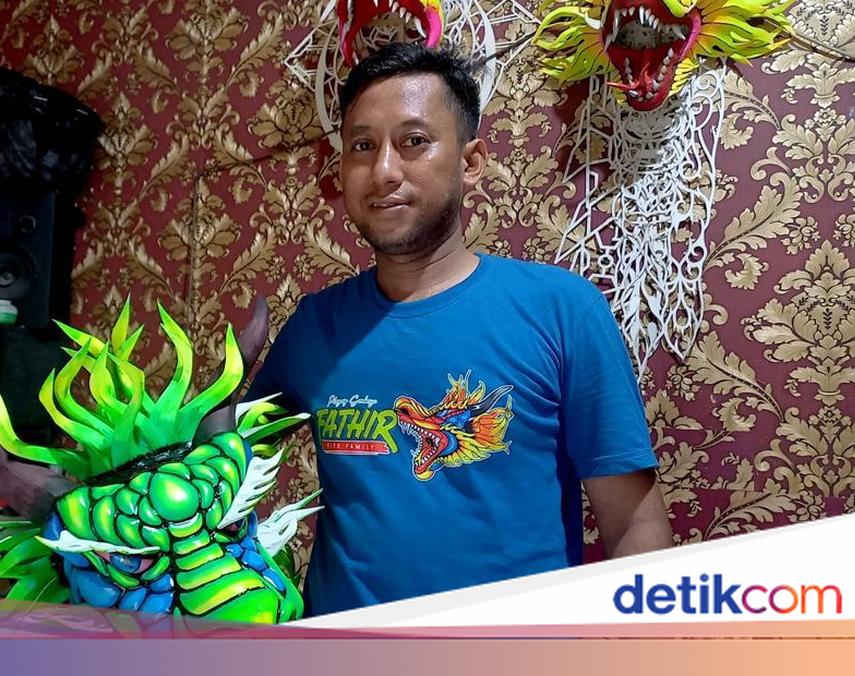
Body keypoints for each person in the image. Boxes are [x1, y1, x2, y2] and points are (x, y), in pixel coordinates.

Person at [244, 43, 673, 617]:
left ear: (470, 163)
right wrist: (217, 397)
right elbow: (222, 472)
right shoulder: (315, 327)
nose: (384, 171)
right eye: (362, 146)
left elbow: (634, 527)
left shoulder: (561, 310)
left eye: (414, 141)